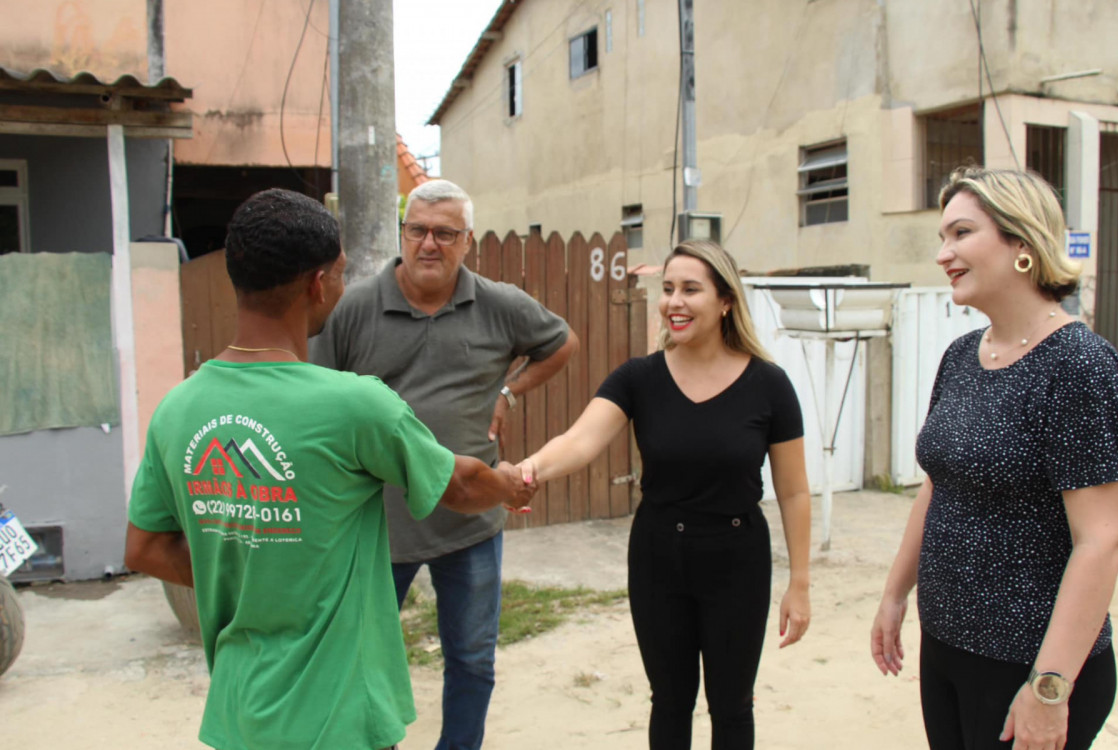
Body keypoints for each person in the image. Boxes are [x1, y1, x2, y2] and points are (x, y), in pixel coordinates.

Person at [124, 188, 536, 750]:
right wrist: (508, 486)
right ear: (319, 284)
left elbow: (144, 548)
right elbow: (459, 486)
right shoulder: (354, 405)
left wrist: (256, 574)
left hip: (239, 715)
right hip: (341, 716)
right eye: (340, 274)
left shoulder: (177, 408)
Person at [870, 167, 1118, 750]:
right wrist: (896, 594)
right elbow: (937, 485)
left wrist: (1050, 688)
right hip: (946, 647)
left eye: (961, 233)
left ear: (1021, 242)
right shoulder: (962, 356)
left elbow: (1103, 542)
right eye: (942, 238)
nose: (944, 254)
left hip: (1032, 665)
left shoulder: (1082, 367)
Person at [310, 178, 578, 750]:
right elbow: (317, 399)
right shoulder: (355, 306)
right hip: (375, 527)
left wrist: (510, 393)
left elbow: (561, 343)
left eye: (445, 233)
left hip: (470, 521)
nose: (429, 244)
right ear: (404, 233)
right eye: (418, 230)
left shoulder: (499, 304)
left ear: (467, 241)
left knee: (473, 662)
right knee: (358, 663)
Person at [515, 240, 812, 750]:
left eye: (690, 289)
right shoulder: (639, 378)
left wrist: (800, 583)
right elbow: (580, 441)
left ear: (725, 302)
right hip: (658, 556)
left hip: (737, 559)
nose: (674, 301)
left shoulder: (770, 385)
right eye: (668, 288)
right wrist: (528, 471)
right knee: (670, 701)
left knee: (733, 704)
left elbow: (793, 490)